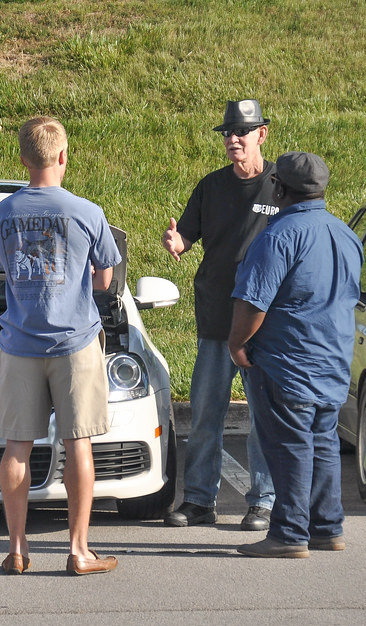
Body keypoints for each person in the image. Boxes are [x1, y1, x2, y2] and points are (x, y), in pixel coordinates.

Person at [0, 116, 122, 576]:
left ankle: (17, 548)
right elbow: (105, 278)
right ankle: (78, 550)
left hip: (20, 343)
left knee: (16, 448)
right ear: (64, 156)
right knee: (77, 444)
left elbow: (2, 268)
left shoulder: (3, 213)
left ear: (23, 160)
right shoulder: (87, 212)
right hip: (74, 344)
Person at [228, 152, 362, 558]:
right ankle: (327, 528)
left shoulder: (277, 236)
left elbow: (253, 303)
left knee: (289, 446)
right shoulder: (345, 234)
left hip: (287, 361)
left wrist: (236, 345)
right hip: (332, 358)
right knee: (323, 444)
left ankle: (288, 534)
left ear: (279, 188)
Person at [161, 99, 277, 530]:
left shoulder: (281, 187)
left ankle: (262, 501)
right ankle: (198, 501)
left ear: (261, 134)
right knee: (206, 412)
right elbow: (186, 237)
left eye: (240, 132)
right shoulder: (210, 187)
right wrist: (176, 242)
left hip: (263, 323)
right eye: (227, 133)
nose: (232, 139)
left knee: (262, 415)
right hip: (215, 319)